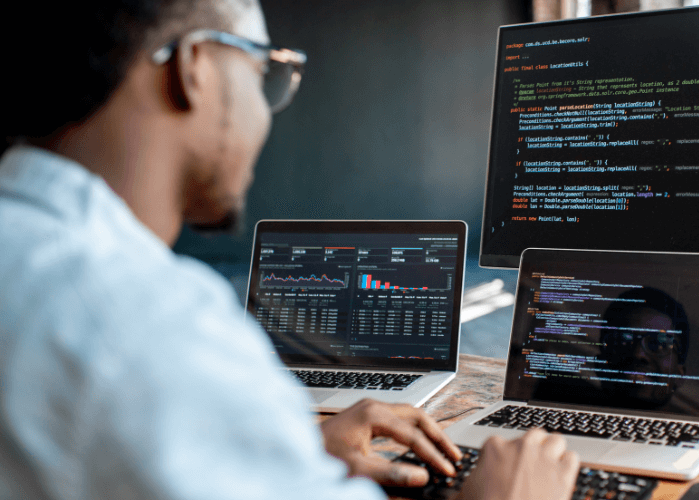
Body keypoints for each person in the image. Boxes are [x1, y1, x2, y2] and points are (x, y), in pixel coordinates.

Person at [0, 1, 578, 499]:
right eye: (264, 73)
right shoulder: (155, 323)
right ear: (193, 67)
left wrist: (286, 454)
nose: (265, 111)